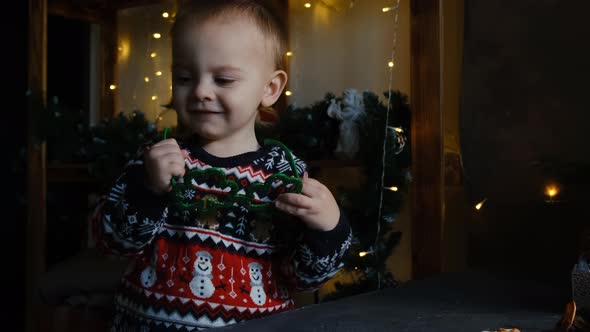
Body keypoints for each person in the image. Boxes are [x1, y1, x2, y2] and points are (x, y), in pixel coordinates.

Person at [95, 0, 352, 330]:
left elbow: (303, 278)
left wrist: (330, 229)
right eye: (185, 77)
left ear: (270, 89)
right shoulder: (158, 158)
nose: (201, 91)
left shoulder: (284, 175)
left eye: (224, 79)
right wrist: (148, 189)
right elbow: (112, 244)